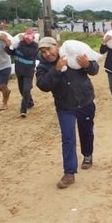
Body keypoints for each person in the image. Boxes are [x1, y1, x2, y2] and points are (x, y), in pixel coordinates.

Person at [36, 37, 100, 189]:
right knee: (68, 138)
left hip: (85, 101)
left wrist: (87, 65)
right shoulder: (43, 66)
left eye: (48, 49)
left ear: (56, 46)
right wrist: (56, 69)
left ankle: (87, 155)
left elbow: (95, 69)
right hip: (65, 107)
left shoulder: (72, 52)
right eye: (43, 52)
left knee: (86, 132)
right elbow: (43, 85)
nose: (46, 54)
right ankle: (69, 173)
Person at [5, 29, 38, 118]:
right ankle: (30, 103)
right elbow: (11, 52)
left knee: (26, 89)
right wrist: (7, 46)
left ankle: (23, 110)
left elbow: (27, 53)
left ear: (33, 38)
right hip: (19, 72)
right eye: (26, 38)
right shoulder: (18, 44)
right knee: (21, 90)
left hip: (28, 72)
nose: (28, 40)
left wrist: (21, 42)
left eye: (29, 38)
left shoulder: (34, 47)